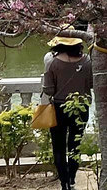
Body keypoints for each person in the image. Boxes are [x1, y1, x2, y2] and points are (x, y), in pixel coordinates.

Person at [42, 35, 93, 190]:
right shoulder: (87, 61)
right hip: (80, 107)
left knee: (58, 146)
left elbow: (49, 89)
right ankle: (72, 179)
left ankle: (64, 183)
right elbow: (90, 84)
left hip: (58, 108)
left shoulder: (52, 62)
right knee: (75, 145)